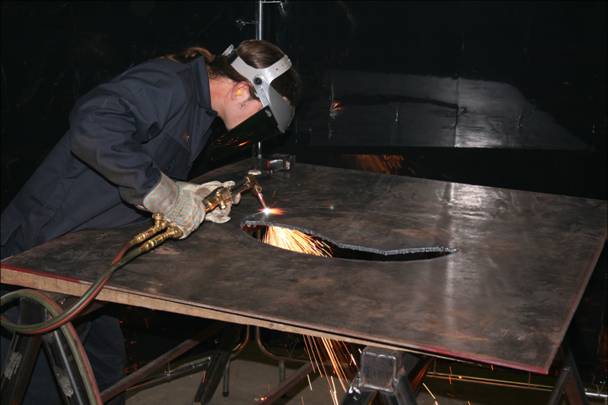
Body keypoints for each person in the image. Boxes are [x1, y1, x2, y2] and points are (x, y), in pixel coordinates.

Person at [0, 39, 301, 404]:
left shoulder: (200, 113)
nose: (254, 130)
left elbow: (147, 164)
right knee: (42, 386)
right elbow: (94, 124)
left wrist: (188, 194)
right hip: (43, 248)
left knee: (103, 372)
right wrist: (162, 194)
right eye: (261, 117)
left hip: (92, 255)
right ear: (241, 90)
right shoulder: (170, 83)